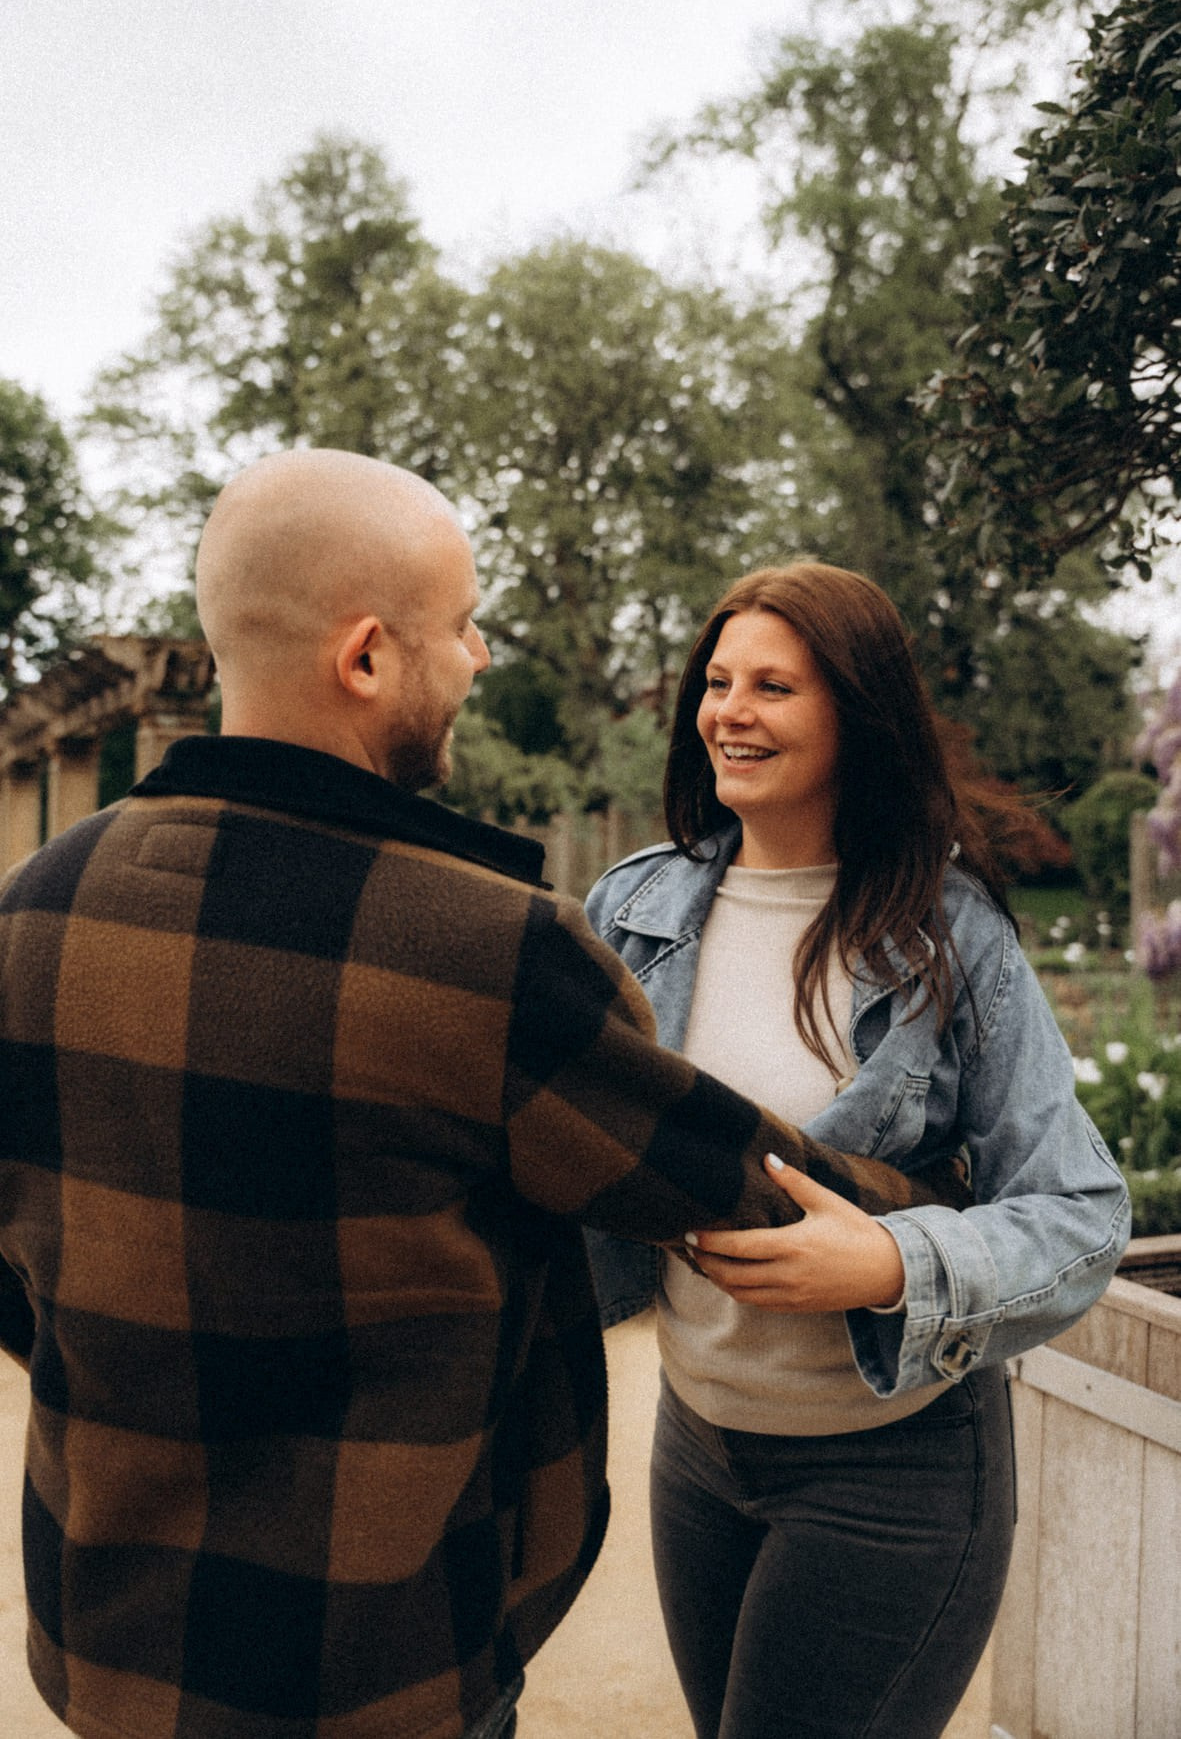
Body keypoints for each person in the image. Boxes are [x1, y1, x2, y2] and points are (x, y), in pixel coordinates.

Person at [0, 455, 966, 1739]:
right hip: (383, 1660)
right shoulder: (479, 948)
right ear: (364, 658)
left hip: (110, 1648)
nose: (478, 654)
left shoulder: (32, 911)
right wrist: (936, 1214)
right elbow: (736, 1180)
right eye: (458, 624)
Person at [584, 561, 1131, 1739]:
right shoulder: (631, 910)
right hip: (698, 1447)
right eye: (716, 680)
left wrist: (889, 1265)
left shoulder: (950, 934)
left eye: (772, 685)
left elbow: (1082, 1210)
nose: (728, 711)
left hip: (894, 1473)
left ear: (854, 713)